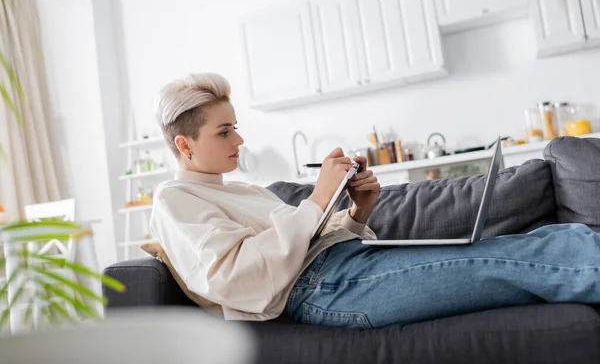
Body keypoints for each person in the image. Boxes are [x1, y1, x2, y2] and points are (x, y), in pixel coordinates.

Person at [150, 73, 600, 329]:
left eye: (236, 126)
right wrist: (319, 195)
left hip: (342, 267)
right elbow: (235, 278)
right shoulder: (176, 200)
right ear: (185, 145)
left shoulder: (238, 189)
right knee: (523, 258)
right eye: (224, 131)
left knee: (545, 240)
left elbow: (303, 242)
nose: (240, 139)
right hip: (324, 289)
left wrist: (354, 213)